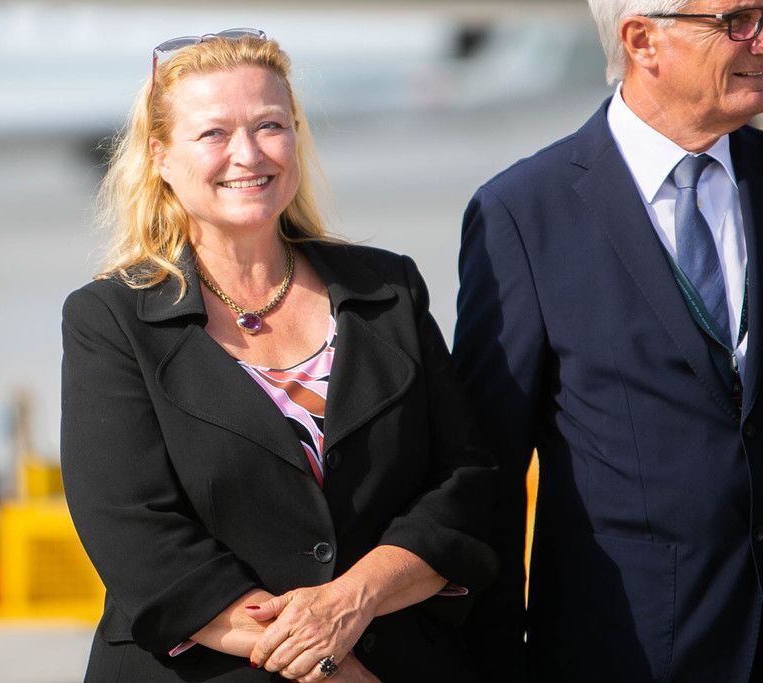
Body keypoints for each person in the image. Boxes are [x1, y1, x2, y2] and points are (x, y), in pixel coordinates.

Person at [61, 29, 497, 683]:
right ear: (161, 156)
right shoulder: (110, 320)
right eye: (214, 133)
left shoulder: (387, 290)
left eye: (270, 125)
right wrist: (326, 662)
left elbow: (463, 484)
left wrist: (353, 601)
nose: (248, 154)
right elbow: (136, 534)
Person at [453, 1, 763, 681]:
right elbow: (488, 474)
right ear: (642, 39)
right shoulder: (522, 213)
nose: (760, 40)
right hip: (630, 652)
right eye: (736, 19)